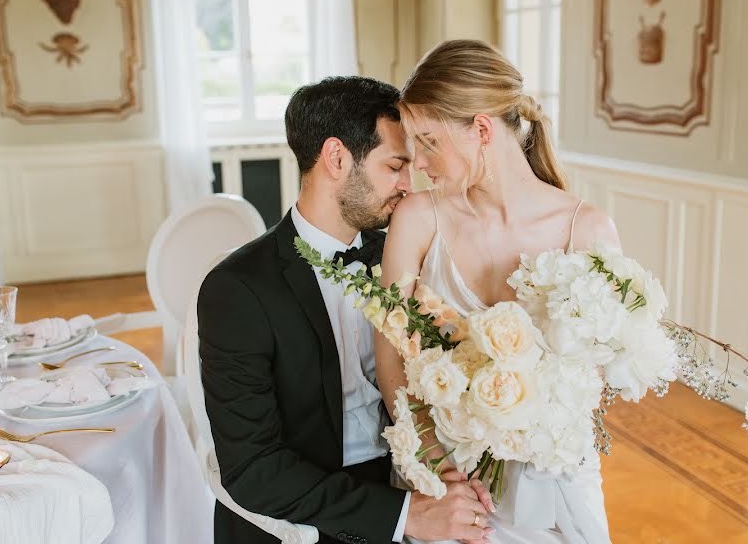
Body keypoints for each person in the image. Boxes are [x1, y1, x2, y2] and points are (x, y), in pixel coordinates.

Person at [197, 76, 494, 544]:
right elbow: (253, 469)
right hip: (305, 509)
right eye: (395, 165)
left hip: (408, 471)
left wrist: (443, 468)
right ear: (337, 159)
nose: (408, 184)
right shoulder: (237, 290)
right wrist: (405, 516)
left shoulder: (403, 255)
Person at [376, 40, 620, 543]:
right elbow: (391, 359)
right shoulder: (419, 219)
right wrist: (438, 465)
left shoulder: (586, 231)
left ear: (482, 129)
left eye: (428, 142)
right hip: (444, 482)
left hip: (551, 481)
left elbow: (591, 381)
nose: (418, 164)